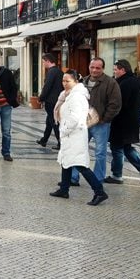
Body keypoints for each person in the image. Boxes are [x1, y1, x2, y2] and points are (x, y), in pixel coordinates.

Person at [49, 70, 108, 206]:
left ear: (76, 81)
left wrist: (64, 130)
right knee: (66, 161)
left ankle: (99, 191)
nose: (64, 84)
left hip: (74, 134)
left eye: (68, 81)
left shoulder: (76, 96)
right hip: (70, 135)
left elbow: (75, 117)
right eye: (63, 81)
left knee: (80, 164)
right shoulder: (67, 95)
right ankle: (64, 189)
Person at [70, 58, 122, 185]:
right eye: (92, 67)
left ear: (103, 69)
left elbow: (115, 104)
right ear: (89, 66)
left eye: (98, 68)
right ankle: (73, 178)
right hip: (83, 123)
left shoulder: (110, 83)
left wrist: (104, 119)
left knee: (100, 152)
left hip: (101, 124)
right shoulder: (83, 81)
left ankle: (98, 178)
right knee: (78, 149)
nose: (94, 70)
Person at [105, 60, 140, 185]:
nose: (114, 72)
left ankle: (117, 175)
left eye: (116, 69)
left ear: (123, 70)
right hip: (131, 120)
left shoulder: (125, 83)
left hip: (122, 121)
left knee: (116, 147)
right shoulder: (134, 80)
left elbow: (120, 103)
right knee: (126, 147)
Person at [37, 53, 63, 150]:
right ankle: (44, 140)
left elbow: (47, 87)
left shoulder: (51, 72)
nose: (43, 64)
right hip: (57, 100)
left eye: (44, 62)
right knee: (49, 121)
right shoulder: (59, 72)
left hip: (51, 101)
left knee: (54, 122)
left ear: (48, 61)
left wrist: (41, 98)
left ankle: (61, 142)